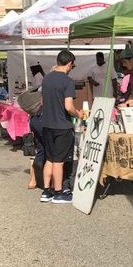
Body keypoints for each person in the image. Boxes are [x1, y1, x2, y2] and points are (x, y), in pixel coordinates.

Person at [39, 50, 83, 204]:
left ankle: (46, 191)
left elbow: (43, 103)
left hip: (47, 124)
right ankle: (58, 193)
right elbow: (69, 106)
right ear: (69, 64)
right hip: (62, 126)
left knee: (49, 159)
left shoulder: (46, 79)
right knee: (59, 161)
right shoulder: (67, 81)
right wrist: (78, 114)